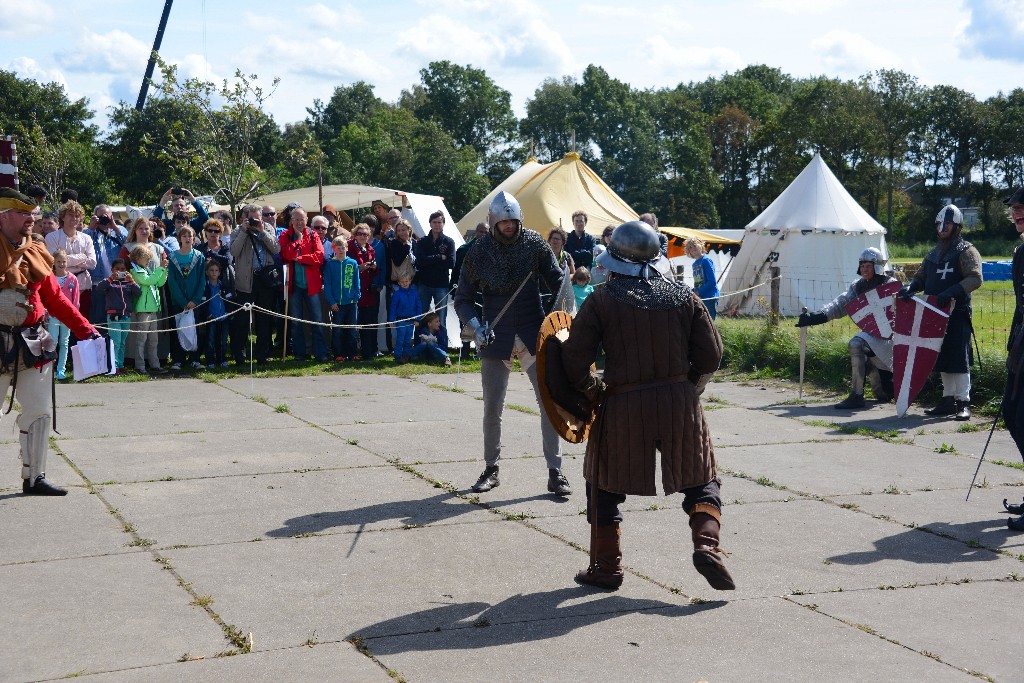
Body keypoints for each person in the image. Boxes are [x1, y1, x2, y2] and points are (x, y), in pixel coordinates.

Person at [560, 220, 733, 591]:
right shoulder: (684, 296)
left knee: (603, 484)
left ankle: (607, 568)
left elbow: (574, 361)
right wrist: (687, 386)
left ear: (615, 259)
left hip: (623, 404)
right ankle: (707, 545)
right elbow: (711, 356)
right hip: (679, 403)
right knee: (702, 479)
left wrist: (593, 390)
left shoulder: (602, 300)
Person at [454, 191, 570, 496]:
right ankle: (491, 469)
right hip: (495, 335)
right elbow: (463, 299)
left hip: (534, 332)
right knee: (492, 408)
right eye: (503, 221)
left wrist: (561, 315)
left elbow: (559, 282)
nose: (509, 225)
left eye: (513, 220)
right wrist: (476, 326)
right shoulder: (478, 252)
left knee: (549, 404)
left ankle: (555, 471)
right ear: (494, 221)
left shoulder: (534, 244)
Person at [0, 188, 99, 495]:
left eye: (33, 213)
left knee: (39, 411)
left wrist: (85, 330)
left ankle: (34, 478)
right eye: (24, 213)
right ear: (4, 216)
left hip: (32, 341)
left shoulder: (36, 251)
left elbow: (55, 300)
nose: (32, 219)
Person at [899, 205, 982, 420]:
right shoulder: (934, 253)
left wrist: (952, 291)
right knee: (942, 355)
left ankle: (963, 401)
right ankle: (947, 400)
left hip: (957, 312)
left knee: (959, 357)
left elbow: (975, 277)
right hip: (934, 313)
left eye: (947, 223)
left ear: (956, 225)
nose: (942, 227)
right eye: (939, 224)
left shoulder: (966, 250)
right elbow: (920, 277)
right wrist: (911, 287)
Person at [797, 248, 899, 409]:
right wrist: (816, 316)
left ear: (877, 266)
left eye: (868, 265)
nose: (864, 269)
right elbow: (839, 305)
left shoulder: (891, 286)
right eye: (862, 265)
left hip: (891, 342)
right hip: (873, 339)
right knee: (860, 348)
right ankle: (858, 394)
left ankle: (860, 396)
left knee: (857, 344)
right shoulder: (857, 287)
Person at [229, 204, 281, 365]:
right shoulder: (238, 231)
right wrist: (244, 232)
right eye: (251, 218)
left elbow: (276, 248)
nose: (254, 221)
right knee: (242, 320)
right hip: (245, 281)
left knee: (264, 319)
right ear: (244, 217)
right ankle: (240, 356)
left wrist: (262, 231)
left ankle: (262, 355)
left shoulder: (267, 228)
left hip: (265, 280)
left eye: (257, 218)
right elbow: (234, 251)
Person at [1001, 187, 1024, 531]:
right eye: (1014, 211)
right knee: (1014, 414)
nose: (1017, 215)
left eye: (1022, 210)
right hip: (1022, 346)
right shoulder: (1021, 253)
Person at [278, 207, 329, 362]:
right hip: (294, 286)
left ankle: (320, 353)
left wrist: (299, 259)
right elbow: (285, 254)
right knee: (296, 321)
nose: (300, 222)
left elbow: (319, 258)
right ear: (291, 220)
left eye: (302, 219)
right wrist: (298, 241)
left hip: (312, 285)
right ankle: (300, 354)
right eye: (296, 219)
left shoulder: (313, 235)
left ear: (307, 219)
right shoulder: (285, 235)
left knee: (317, 321)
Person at [46, 200, 96, 320]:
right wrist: (81, 257)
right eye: (71, 215)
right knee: (59, 322)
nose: (74, 218)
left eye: (77, 216)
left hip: (83, 286)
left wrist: (64, 261)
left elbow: (92, 263)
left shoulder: (86, 238)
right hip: (60, 286)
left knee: (81, 320)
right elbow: (53, 262)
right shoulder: (52, 237)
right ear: (63, 217)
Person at [166, 226, 206, 370]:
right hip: (179, 302)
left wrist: (194, 300)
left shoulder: (199, 256)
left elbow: (202, 280)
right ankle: (179, 359)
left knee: (196, 330)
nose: (187, 238)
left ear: (194, 238)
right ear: (179, 239)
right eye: (184, 236)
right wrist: (182, 301)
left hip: (195, 302)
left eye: (190, 235)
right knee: (179, 329)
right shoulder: (172, 257)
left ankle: (195, 359)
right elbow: (172, 281)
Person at [92, 258, 140, 373]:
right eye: (117, 269)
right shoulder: (109, 282)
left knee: (122, 342)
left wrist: (132, 281)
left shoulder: (128, 283)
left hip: (126, 316)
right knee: (116, 342)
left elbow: (138, 293)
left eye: (123, 269)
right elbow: (98, 288)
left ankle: (120, 365)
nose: (119, 271)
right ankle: (114, 366)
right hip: (114, 317)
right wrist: (110, 279)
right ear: (112, 269)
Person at [85, 204, 129, 324]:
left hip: (118, 282)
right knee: (99, 319)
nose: (105, 219)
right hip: (98, 283)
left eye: (107, 215)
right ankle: (101, 342)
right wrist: (91, 228)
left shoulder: (119, 230)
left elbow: (129, 244)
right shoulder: (88, 233)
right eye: (101, 216)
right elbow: (82, 245)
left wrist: (114, 227)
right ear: (95, 217)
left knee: (117, 318)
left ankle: (115, 342)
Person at [129, 244, 169, 375]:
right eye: (146, 258)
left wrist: (163, 271)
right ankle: (139, 366)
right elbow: (148, 281)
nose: (148, 261)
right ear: (137, 258)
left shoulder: (147, 270)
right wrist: (160, 269)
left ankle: (154, 364)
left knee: (154, 339)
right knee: (141, 339)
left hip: (153, 310)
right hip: (143, 310)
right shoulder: (135, 272)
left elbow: (159, 282)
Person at [414, 211, 455, 334]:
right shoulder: (422, 242)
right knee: (421, 315)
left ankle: (441, 347)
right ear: (430, 224)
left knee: (441, 317)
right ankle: (420, 344)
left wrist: (429, 260)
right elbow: (420, 262)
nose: (437, 225)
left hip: (441, 285)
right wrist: (439, 257)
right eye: (434, 222)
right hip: (424, 284)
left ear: (443, 224)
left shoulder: (449, 242)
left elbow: (451, 263)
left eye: (439, 222)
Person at [324, 236, 360, 361]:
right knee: (338, 330)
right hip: (337, 304)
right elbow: (327, 285)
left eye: (343, 248)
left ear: (347, 248)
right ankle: (338, 354)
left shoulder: (353, 263)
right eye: (338, 248)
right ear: (334, 249)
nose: (341, 250)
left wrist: (356, 296)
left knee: (352, 330)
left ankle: (353, 353)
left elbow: (356, 282)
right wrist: (332, 301)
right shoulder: (330, 265)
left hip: (351, 302)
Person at [46, 250, 79, 380]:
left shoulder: (72, 279)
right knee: (52, 341)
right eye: (58, 261)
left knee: (64, 342)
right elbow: (46, 296)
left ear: (67, 262)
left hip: (67, 316)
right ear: (53, 262)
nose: (61, 264)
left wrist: (74, 315)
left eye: (64, 261)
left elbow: (76, 300)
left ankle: (61, 369)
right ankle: (50, 369)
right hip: (53, 314)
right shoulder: (49, 277)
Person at [349, 223, 380, 360]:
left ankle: (368, 352)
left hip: (368, 293)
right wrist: (359, 268)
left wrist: (373, 268)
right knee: (353, 325)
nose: (362, 236)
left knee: (368, 324)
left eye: (365, 234)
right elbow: (346, 267)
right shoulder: (349, 246)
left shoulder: (370, 249)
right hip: (353, 292)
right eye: (360, 233)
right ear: (355, 234)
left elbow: (375, 271)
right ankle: (352, 353)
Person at [197, 259, 232, 368]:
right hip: (211, 318)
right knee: (210, 341)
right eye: (211, 270)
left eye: (216, 270)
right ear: (207, 272)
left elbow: (229, 301)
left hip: (224, 318)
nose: (214, 272)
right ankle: (210, 361)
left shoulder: (224, 286)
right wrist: (207, 315)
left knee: (223, 341)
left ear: (219, 273)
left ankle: (222, 359)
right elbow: (203, 303)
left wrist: (229, 313)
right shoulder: (205, 287)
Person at [685, 236, 720, 320]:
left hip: (710, 297)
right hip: (701, 297)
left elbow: (712, 281)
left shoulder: (706, 260)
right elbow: (698, 281)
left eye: (695, 245)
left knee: (709, 322)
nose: (693, 248)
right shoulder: (695, 264)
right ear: (688, 251)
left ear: (701, 245)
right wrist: (693, 291)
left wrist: (699, 292)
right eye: (690, 247)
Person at [390, 276, 421, 363]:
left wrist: (417, 319)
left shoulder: (414, 293)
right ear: (399, 283)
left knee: (408, 340)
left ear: (410, 281)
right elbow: (393, 307)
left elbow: (419, 306)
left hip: (411, 320)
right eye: (402, 282)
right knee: (400, 339)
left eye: (406, 281)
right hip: (401, 320)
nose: (405, 283)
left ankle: (406, 356)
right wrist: (391, 319)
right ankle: (398, 356)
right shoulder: (397, 294)